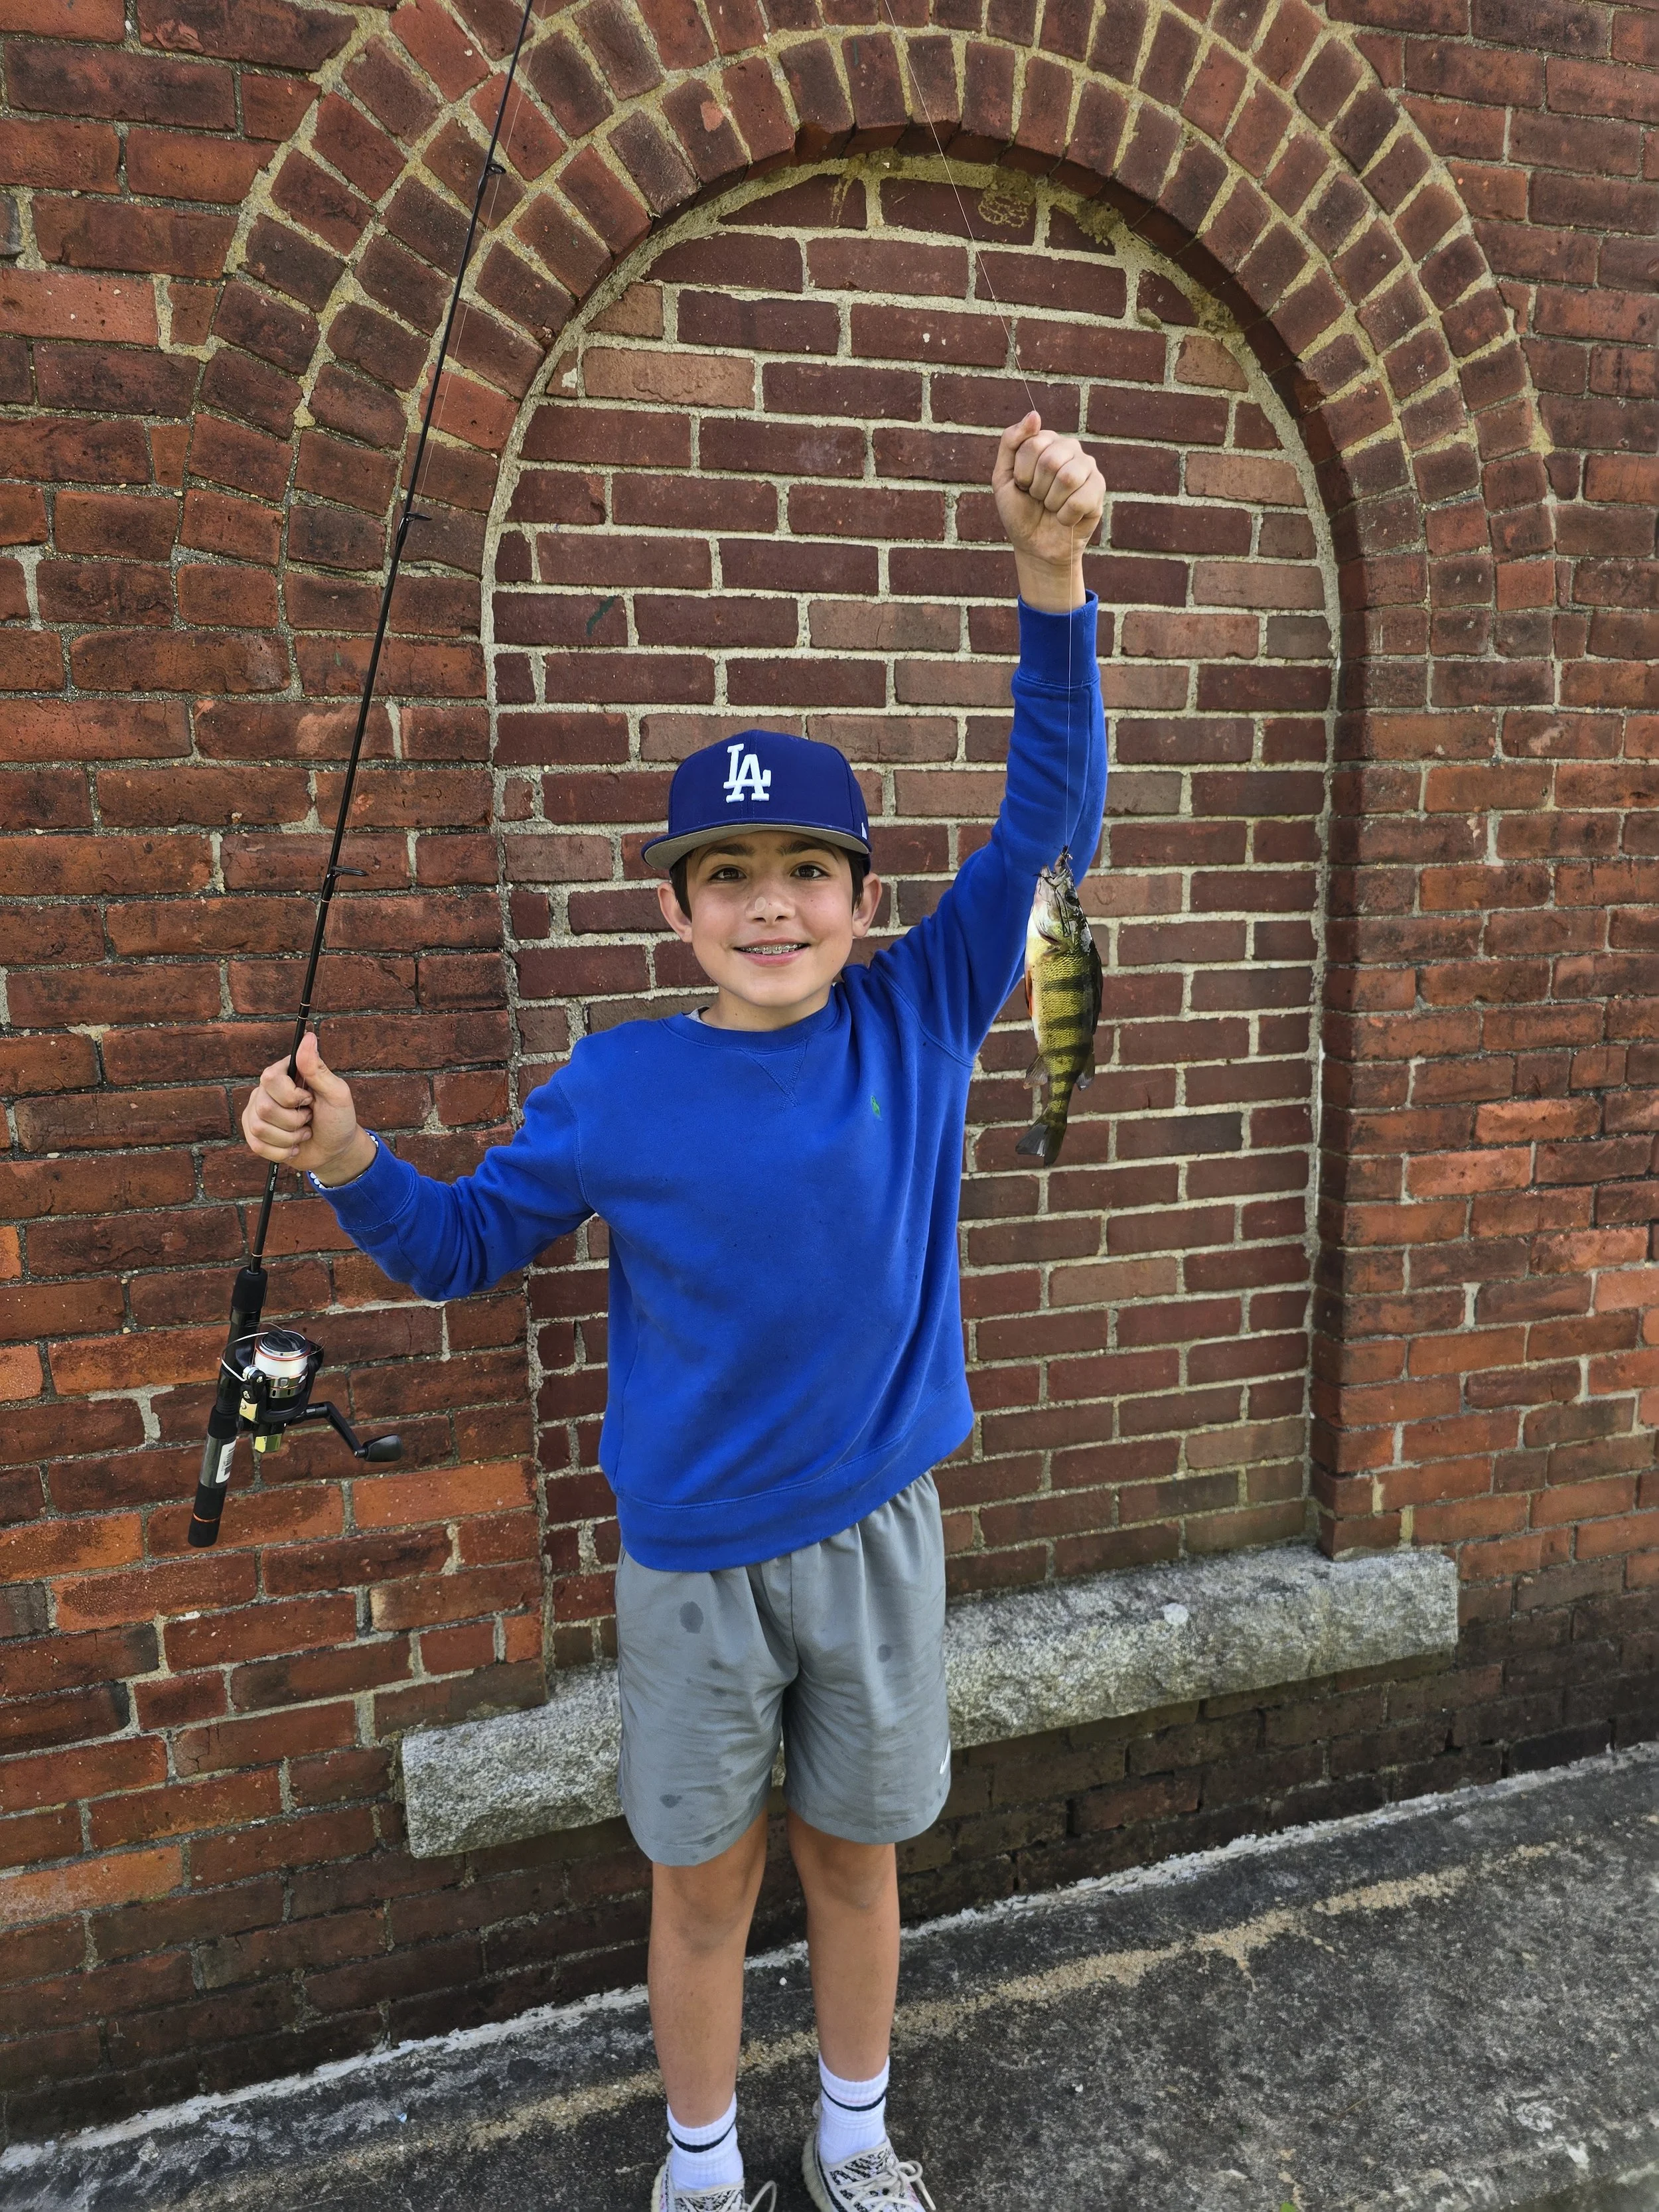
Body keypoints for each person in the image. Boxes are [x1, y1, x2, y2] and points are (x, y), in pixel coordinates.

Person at [241, 411, 1108, 2212]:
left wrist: (1050, 581)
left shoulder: (923, 1011)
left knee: (856, 1864)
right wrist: (347, 1155)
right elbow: (468, 1243)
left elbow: (1048, 813)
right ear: (674, 907)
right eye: (730, 878)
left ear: (866, 904)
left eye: (807, 872)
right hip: (691, 1559)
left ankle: (854, 2135)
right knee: (704, 1881)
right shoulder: (616, 1085)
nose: (770, 905)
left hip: (871, 1531)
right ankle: (701, 2161)